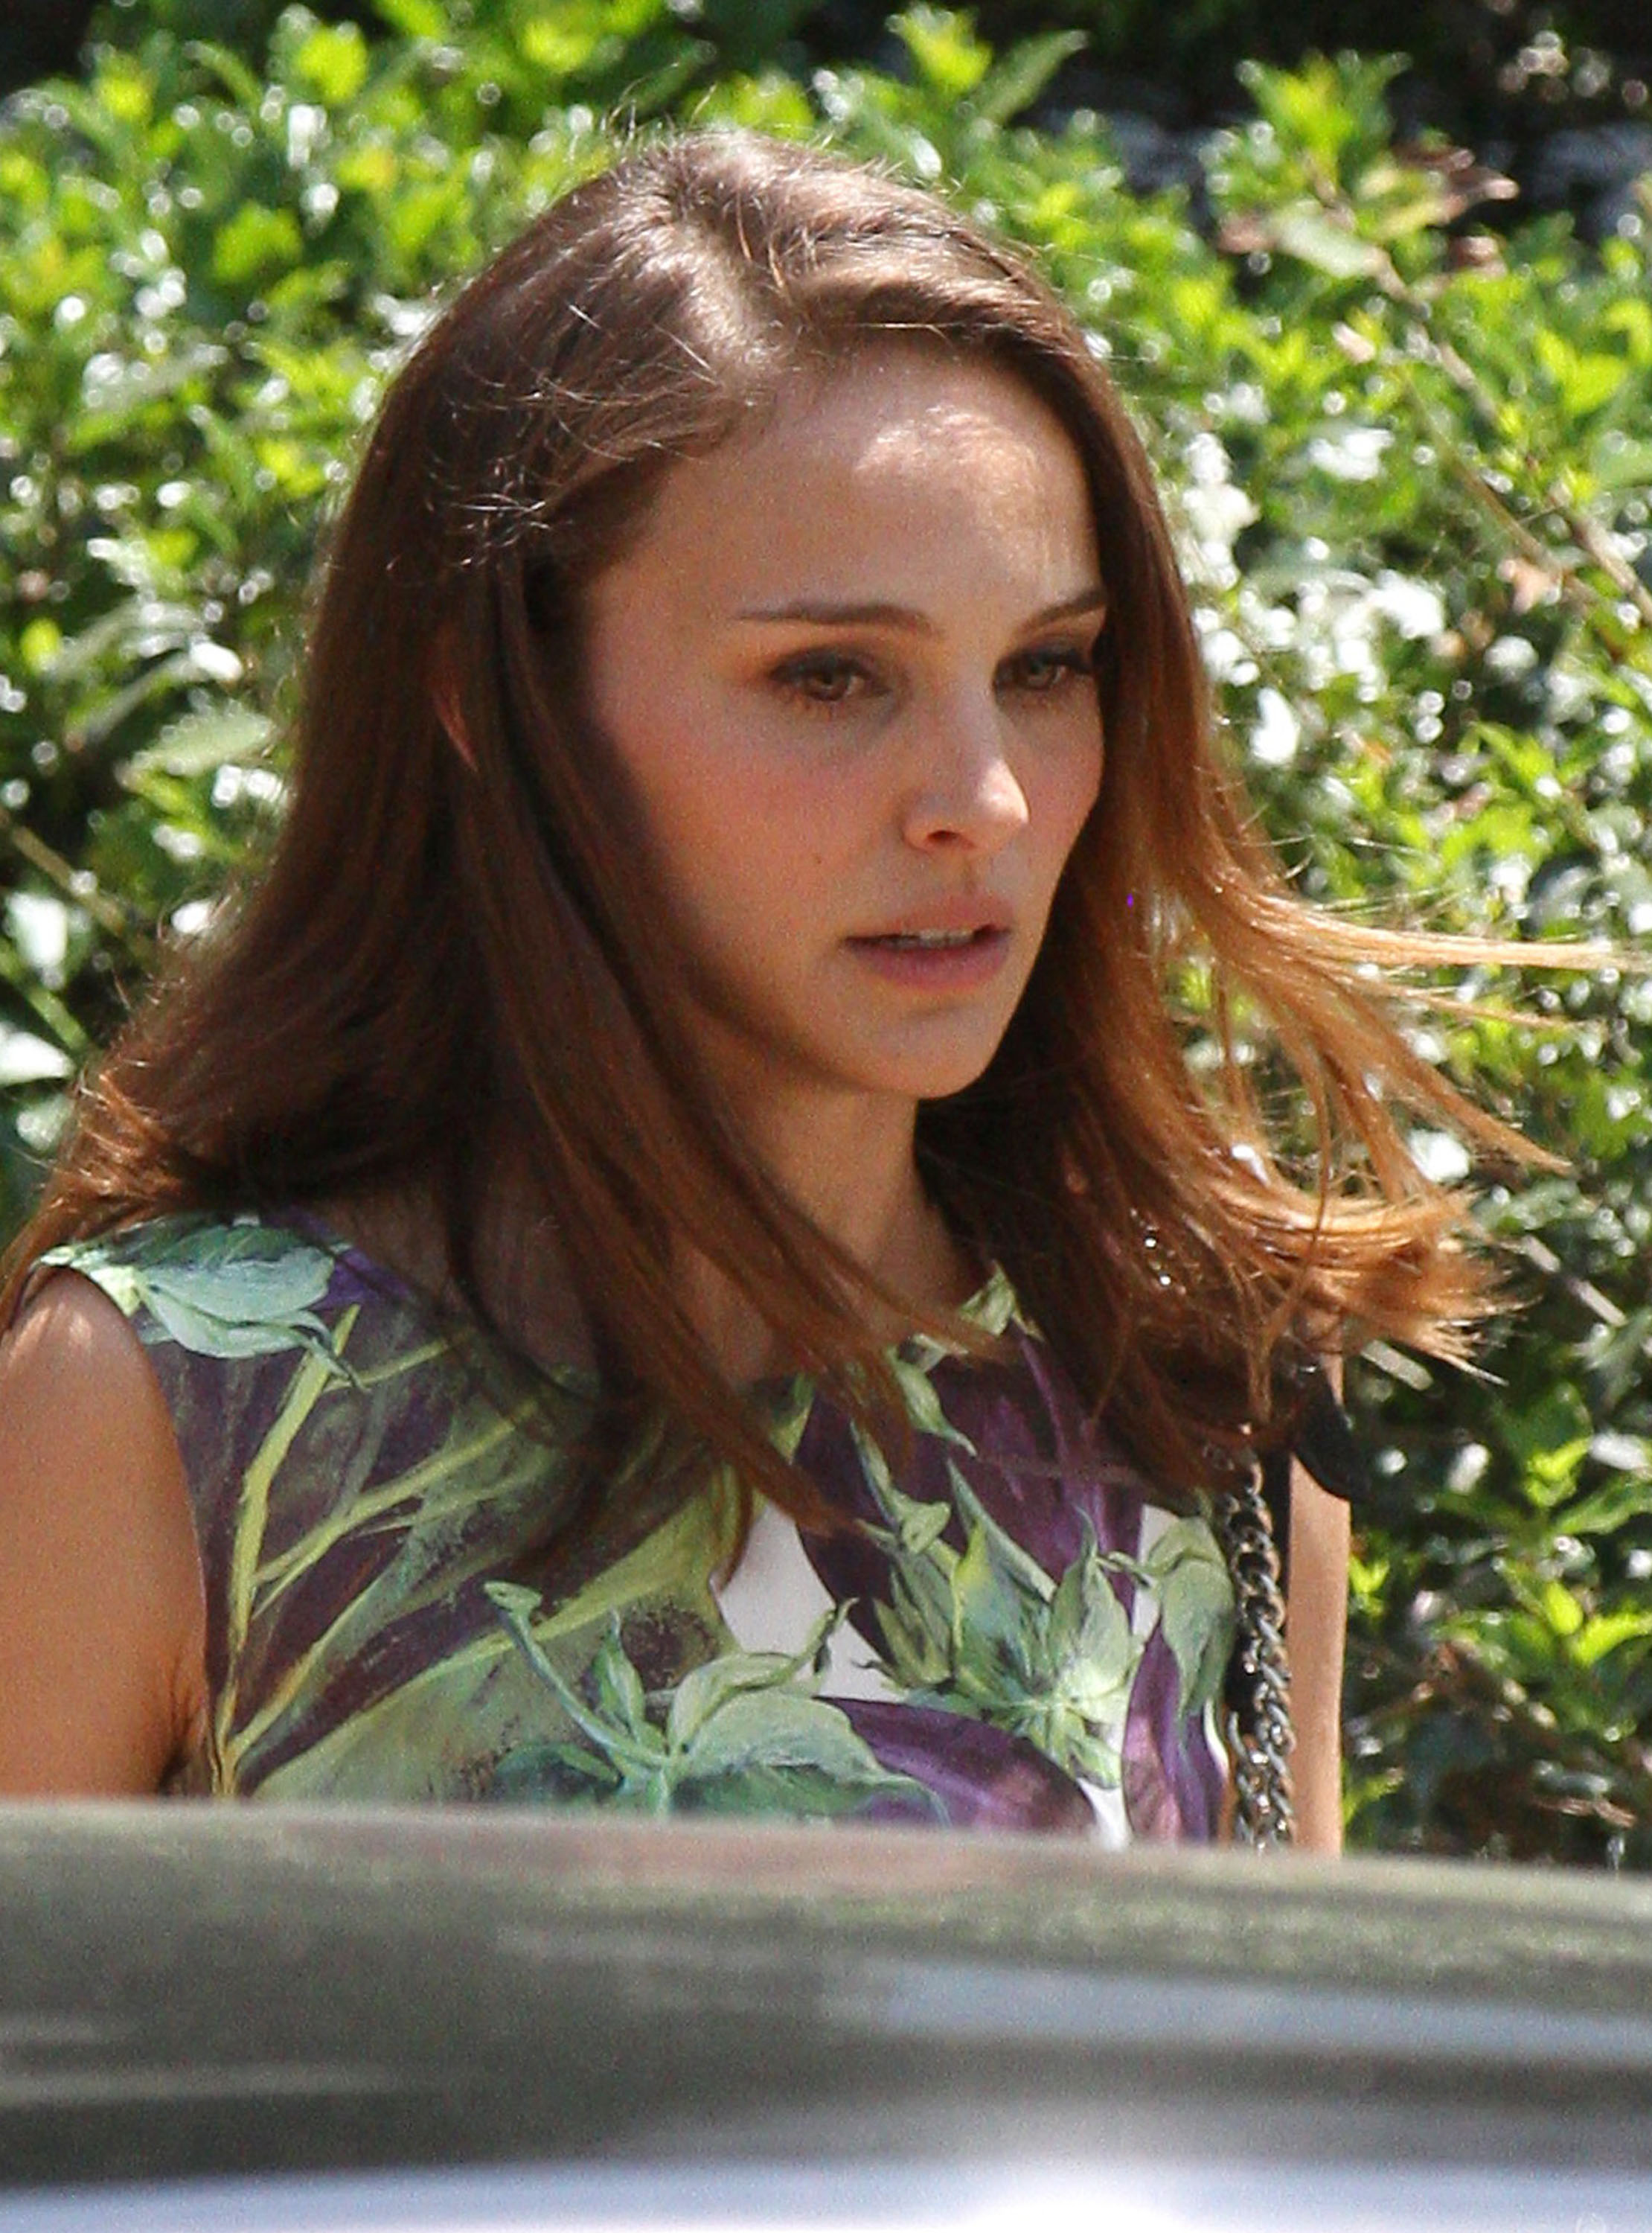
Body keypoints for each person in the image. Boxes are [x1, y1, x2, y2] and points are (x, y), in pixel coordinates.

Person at [0, 132, 1520, 1847]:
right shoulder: (167, 1413)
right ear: (491, 702)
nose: (984, 799)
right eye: (830, 677)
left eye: (1046, 666)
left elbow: (1267, 2022)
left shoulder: (1196, 1377)